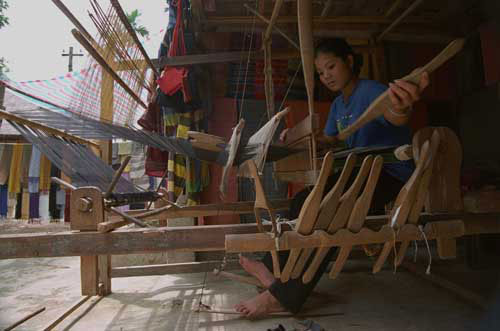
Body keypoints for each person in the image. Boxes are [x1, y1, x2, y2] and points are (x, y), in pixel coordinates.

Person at [234, 38, 430, 318]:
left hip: (388, 175)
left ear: (349, 62)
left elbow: (395, 114)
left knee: (329, 216)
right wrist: (301, 139)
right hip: (357, 175)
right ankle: (271, 269)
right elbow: (331, 140)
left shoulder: (372, 91)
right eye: (321, 72)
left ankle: (283, 297)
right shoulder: (339, 105)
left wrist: (401, 107)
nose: (326, 76)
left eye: (331, 66)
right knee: (302, 200)